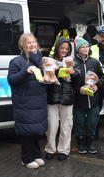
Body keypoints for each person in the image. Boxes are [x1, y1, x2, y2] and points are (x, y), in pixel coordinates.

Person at [8, 33, 48, 169]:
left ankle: (36, 155)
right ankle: (26, 158)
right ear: (23, 46)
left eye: (34, 42)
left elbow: (44, 79)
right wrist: (26, 71)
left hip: (39, 101)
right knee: (26, 131)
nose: (32, 45)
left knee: (36, 130)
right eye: (28, 43)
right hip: (25, 103)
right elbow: (11, 80)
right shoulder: (17, 61)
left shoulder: (42, 60)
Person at [44, 37, 80, 161]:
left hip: (67, 98)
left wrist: (73, 73)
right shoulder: (50, 61)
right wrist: (53, 71)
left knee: (66, 125)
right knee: (52, 126)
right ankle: (50, 149)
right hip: (52, 98)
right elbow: (46, 79)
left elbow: (78, 79)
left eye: (66, 48)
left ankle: (64, 150)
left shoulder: (72, 62)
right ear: (57, 48)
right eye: (61, 48)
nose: (64, 50)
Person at [72, 37, 104, 154]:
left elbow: (102, 77)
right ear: (77, 49)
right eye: (82, 47)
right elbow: (70, 82)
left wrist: (98, 85)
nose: (85, 49)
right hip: (79, 100)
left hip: (93, 100)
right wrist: (78, 89)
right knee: (79, 122)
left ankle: (89, 144)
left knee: (92, 122)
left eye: (87, 46)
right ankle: (80, 144)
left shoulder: (94, 62)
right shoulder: (73, 62)